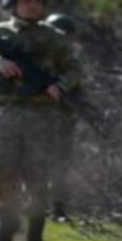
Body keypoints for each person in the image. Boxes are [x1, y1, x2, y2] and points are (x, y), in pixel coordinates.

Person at [0, 0, 80, 241]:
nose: (32, 6)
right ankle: (7, 218)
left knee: (38, 176)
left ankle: (34, 239)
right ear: (13, 4)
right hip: (4, 111)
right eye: (25, 1)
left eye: (37, 1)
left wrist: (60, 85)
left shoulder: (55, 38)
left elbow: (76, 69)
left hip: (42, 113)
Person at [45, 12, 80, 223]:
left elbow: (78, 87)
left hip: (62, 120)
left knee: (60, 166)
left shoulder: (70, 63)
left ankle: (58, 208)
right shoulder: (39, 58)